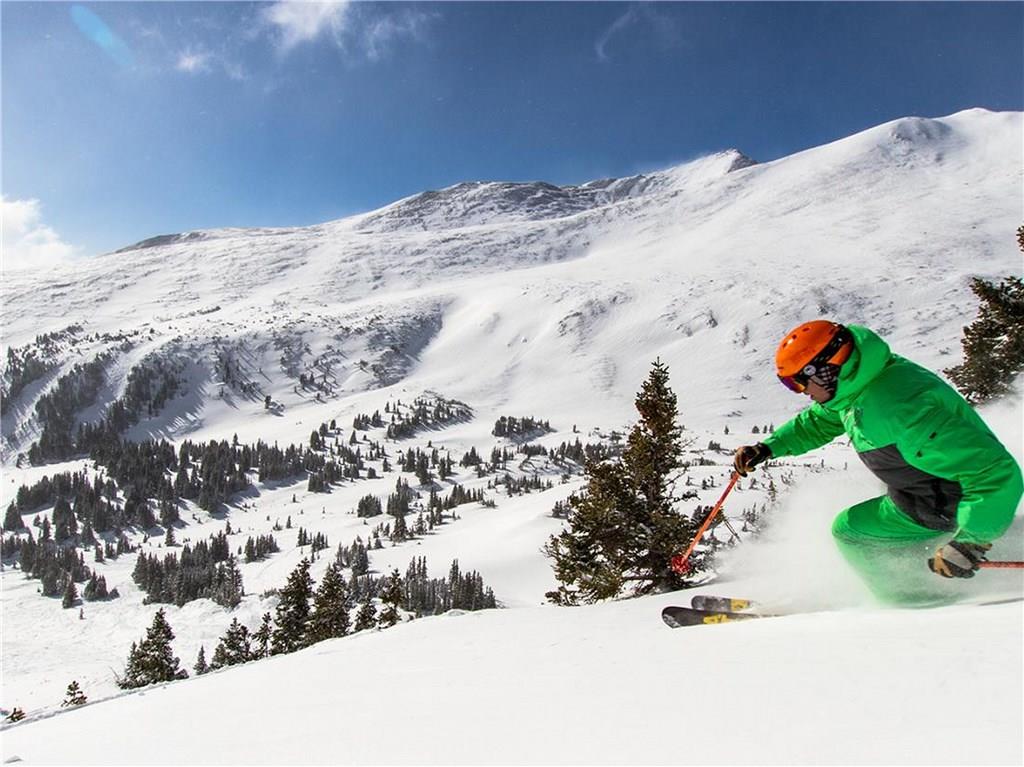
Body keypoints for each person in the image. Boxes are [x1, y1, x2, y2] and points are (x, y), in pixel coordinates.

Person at [734, 320, 1022, 602]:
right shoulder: (862, 383)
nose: (802, 392)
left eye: (798, 381)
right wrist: (769, 448)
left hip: (940, 505)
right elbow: (820, 421)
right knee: (852, 526)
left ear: (824, 371)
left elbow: (995, 472)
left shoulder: (901, 410)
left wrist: (971, 541)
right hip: (920, 494)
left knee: (851, 533)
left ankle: (911, 604)